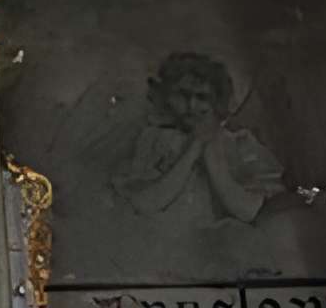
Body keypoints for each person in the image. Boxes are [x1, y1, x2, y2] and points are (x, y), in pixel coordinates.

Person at [116, 52, 283, 225]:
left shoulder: (240, 143)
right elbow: (144, 204)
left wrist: (212, 153)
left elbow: (249, 211)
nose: (191, 106)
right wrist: (193, 148)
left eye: (202, 97)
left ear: (217, 101)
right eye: (182, 95)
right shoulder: (152, 139)